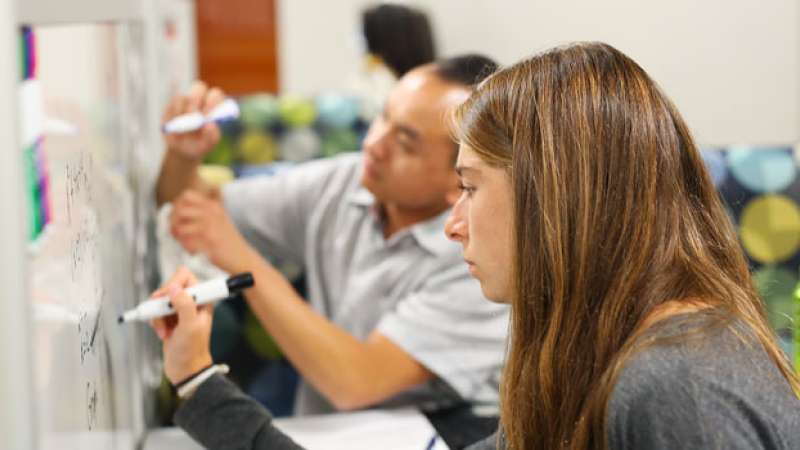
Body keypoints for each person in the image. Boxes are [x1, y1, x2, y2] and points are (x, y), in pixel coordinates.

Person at [152, 42, 800, 449]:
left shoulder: (671, 385)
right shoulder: (583, 357)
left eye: (469, 188)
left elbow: (354, 380)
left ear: (555, 198)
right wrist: (196, 378)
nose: (452, 223)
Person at [155, 54, 507, 416]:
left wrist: (241, 261)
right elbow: (187, 210)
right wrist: (184, 156)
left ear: (460, 175)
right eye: (383, 116)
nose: (374, 144)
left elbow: (356, 384)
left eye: (405, 142)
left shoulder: (483, 258)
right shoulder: (347, 181)